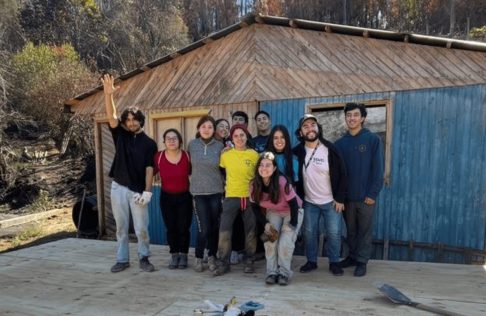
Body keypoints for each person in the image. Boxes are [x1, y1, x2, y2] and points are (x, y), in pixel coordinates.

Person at [101, 74, 157, 273]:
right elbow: (111, 117)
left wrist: (148, 192)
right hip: (118, 187)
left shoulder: (150, 143)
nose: (132, 123)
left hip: (138, 191)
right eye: (129, 120)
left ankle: (144, 258)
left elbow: (150, 169)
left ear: (141, 121)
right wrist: (108, 95)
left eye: (135, 120)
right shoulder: (121, 135)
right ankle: (122, 259)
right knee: (121, 228)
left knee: (142, 228)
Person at [292, 114, 347, 276]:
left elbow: (343, 174)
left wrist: (340, 198)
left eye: (313, 125)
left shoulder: (331, 149)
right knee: (309, 233)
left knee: (334, 233)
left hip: (331, 201)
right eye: (306, 126)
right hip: (309, 202)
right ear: (301, 132)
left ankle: (334, 262)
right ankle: (311, 261)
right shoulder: (297, 151)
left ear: (318, 128)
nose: (310, 128)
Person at [335, 103, 384, 277]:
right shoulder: (340, 143)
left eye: (356, 115)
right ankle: (352, 257)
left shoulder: (372, 140)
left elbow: (378, 170)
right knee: (351, 231)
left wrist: (373, 193)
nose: (352, 118)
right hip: (347, 198)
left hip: (365, 198)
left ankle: (362, 262)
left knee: (364, 231)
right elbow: (337, 173)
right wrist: (339, 197)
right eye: (349, 115)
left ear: (362, 118)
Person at [250, 152, 303, 286]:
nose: (264, 168)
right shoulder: (254, 185)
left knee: (285, 242)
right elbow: (255, 208)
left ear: (274, 169)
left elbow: (294, 204)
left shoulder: (281, 181)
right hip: (274, 212)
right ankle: (272, 272)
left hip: (292, 212)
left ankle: (284, 273)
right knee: (270, 241)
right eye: (261, 165)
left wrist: (291, 224)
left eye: (268, 165)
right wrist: (266, 224)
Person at [214, 124, 259, 276]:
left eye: (242, 135)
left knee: (251, 231)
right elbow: (221, 172)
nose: (239, 138)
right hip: (231, 196)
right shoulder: (226, 155)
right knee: (225, 230)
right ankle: (223, 263)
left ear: (247, 136)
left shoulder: (254, 155)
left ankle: (249, 261)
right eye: (236, 136)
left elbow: (259, 176)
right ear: (231, 138)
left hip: (249, 198)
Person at [188, 116, 224, 272]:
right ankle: (198, 257)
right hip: (198, 193)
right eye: (203, 126)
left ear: (213, 130)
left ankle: (211, 256)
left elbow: (224, 169)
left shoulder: (220, 146)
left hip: (216, 192)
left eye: (210, 127)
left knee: (214, 227)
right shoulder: (192, 145)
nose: (206, 129)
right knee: (203, 228)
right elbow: (188, 168)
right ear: (198, 129)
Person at [154, 128, 192, 269]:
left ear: (180, 141)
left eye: (174, 138)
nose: (171, 140)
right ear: (164, 142)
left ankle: (184, 255)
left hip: (185, 197)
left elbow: (196, 173)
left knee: (183, 227)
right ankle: (174, 254)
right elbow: (147, 172)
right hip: (166, 197)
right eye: (168, 138)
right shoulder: (158, 157)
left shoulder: (188, 156)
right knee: (171, 227)